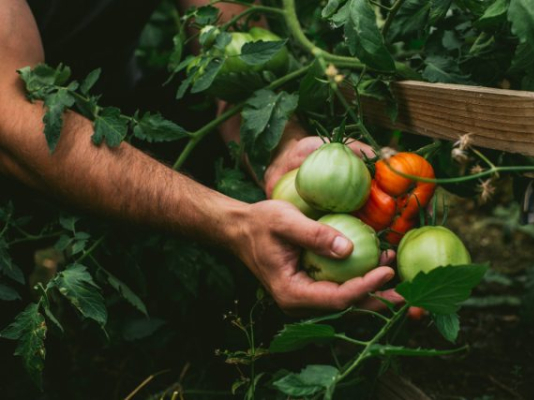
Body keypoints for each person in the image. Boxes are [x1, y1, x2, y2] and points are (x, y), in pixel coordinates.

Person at [0, 0, 403, 315]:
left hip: (106, 117)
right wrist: (231, 222)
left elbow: (234, 64)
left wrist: (282, 149)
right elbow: (19, 120)